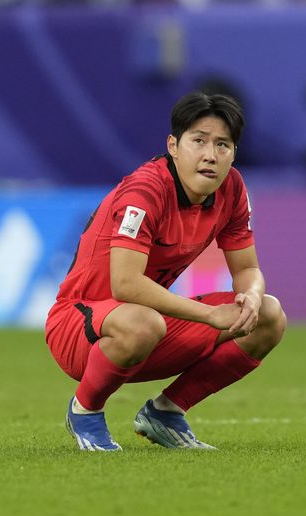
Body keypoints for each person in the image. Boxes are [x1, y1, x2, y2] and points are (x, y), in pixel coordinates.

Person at [45, 92, 287, 451]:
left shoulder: (232, 188)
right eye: (199, 141)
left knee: (268, 314)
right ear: (173, 145)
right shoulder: (145, 191)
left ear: (234, 153)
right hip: (77, 328)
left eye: (223, 144)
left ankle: (165, 413)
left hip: (147, 324)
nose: (210, 155)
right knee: (144, 322)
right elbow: (125, 284)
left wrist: (250, 295)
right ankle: (85, 411)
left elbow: (248, 267)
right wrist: (209, 314)